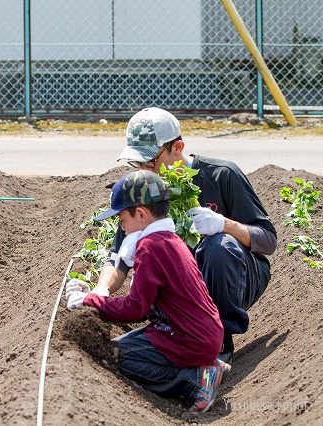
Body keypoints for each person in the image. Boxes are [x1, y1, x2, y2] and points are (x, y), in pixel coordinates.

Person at [94, 107, 277, 364]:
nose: (145, 169)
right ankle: (171, 333)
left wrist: (223, 224)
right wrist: (101, 291)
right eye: (137, 163)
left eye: (150, 161)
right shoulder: (146, 190)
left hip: (238, 277)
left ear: (178, 147)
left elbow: (268, 240)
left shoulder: (221, 175)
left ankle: (221, 341)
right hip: (188, 292)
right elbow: (118, 259)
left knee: (217, 246)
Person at [66, 169, 229, 414]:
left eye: (122, 220)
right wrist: (97, 294)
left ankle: (195, 381)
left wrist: (91, 302)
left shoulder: (151, 248)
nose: (122, 227)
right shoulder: (169, 240)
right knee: (116, 346)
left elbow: (136, 308)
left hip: (187, 338)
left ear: (141, 214)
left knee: (113, 356)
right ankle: (206, 364)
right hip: (194, 332)